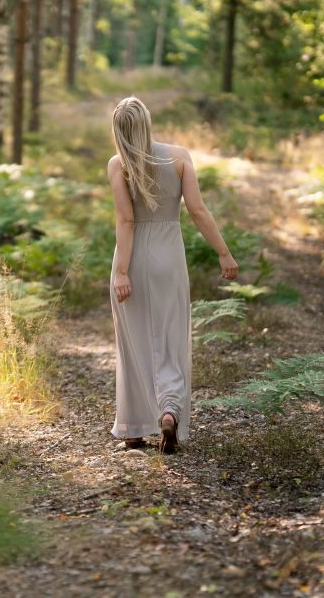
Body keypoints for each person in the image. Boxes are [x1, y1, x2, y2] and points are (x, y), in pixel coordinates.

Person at [107, 96, 238, 453]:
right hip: (168, 256)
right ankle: (169, 411)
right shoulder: (179, 157)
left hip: (131, 259)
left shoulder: (118, 165)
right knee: (170, 338)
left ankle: (133, 429)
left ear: (119, 130)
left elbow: (126, 220)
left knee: (133, 343)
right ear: (147, 122)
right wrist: (224, 253)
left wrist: (121, 272)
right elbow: (197, 209)